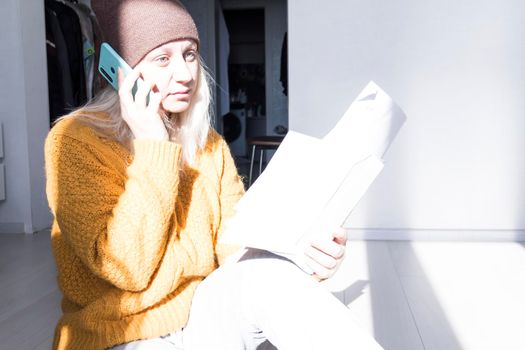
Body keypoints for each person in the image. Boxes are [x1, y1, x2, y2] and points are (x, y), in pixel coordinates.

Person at [44, 0, 384, 349]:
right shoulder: (74, 141)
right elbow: (128, 269)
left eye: (189, 54)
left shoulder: (208, 144)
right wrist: (152, 145)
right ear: (121, 72)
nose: (185, 74)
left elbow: (236, 253)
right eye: (163, 59)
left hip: (200, 317)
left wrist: (302, 260)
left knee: (271, 276)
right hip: (119, 333)